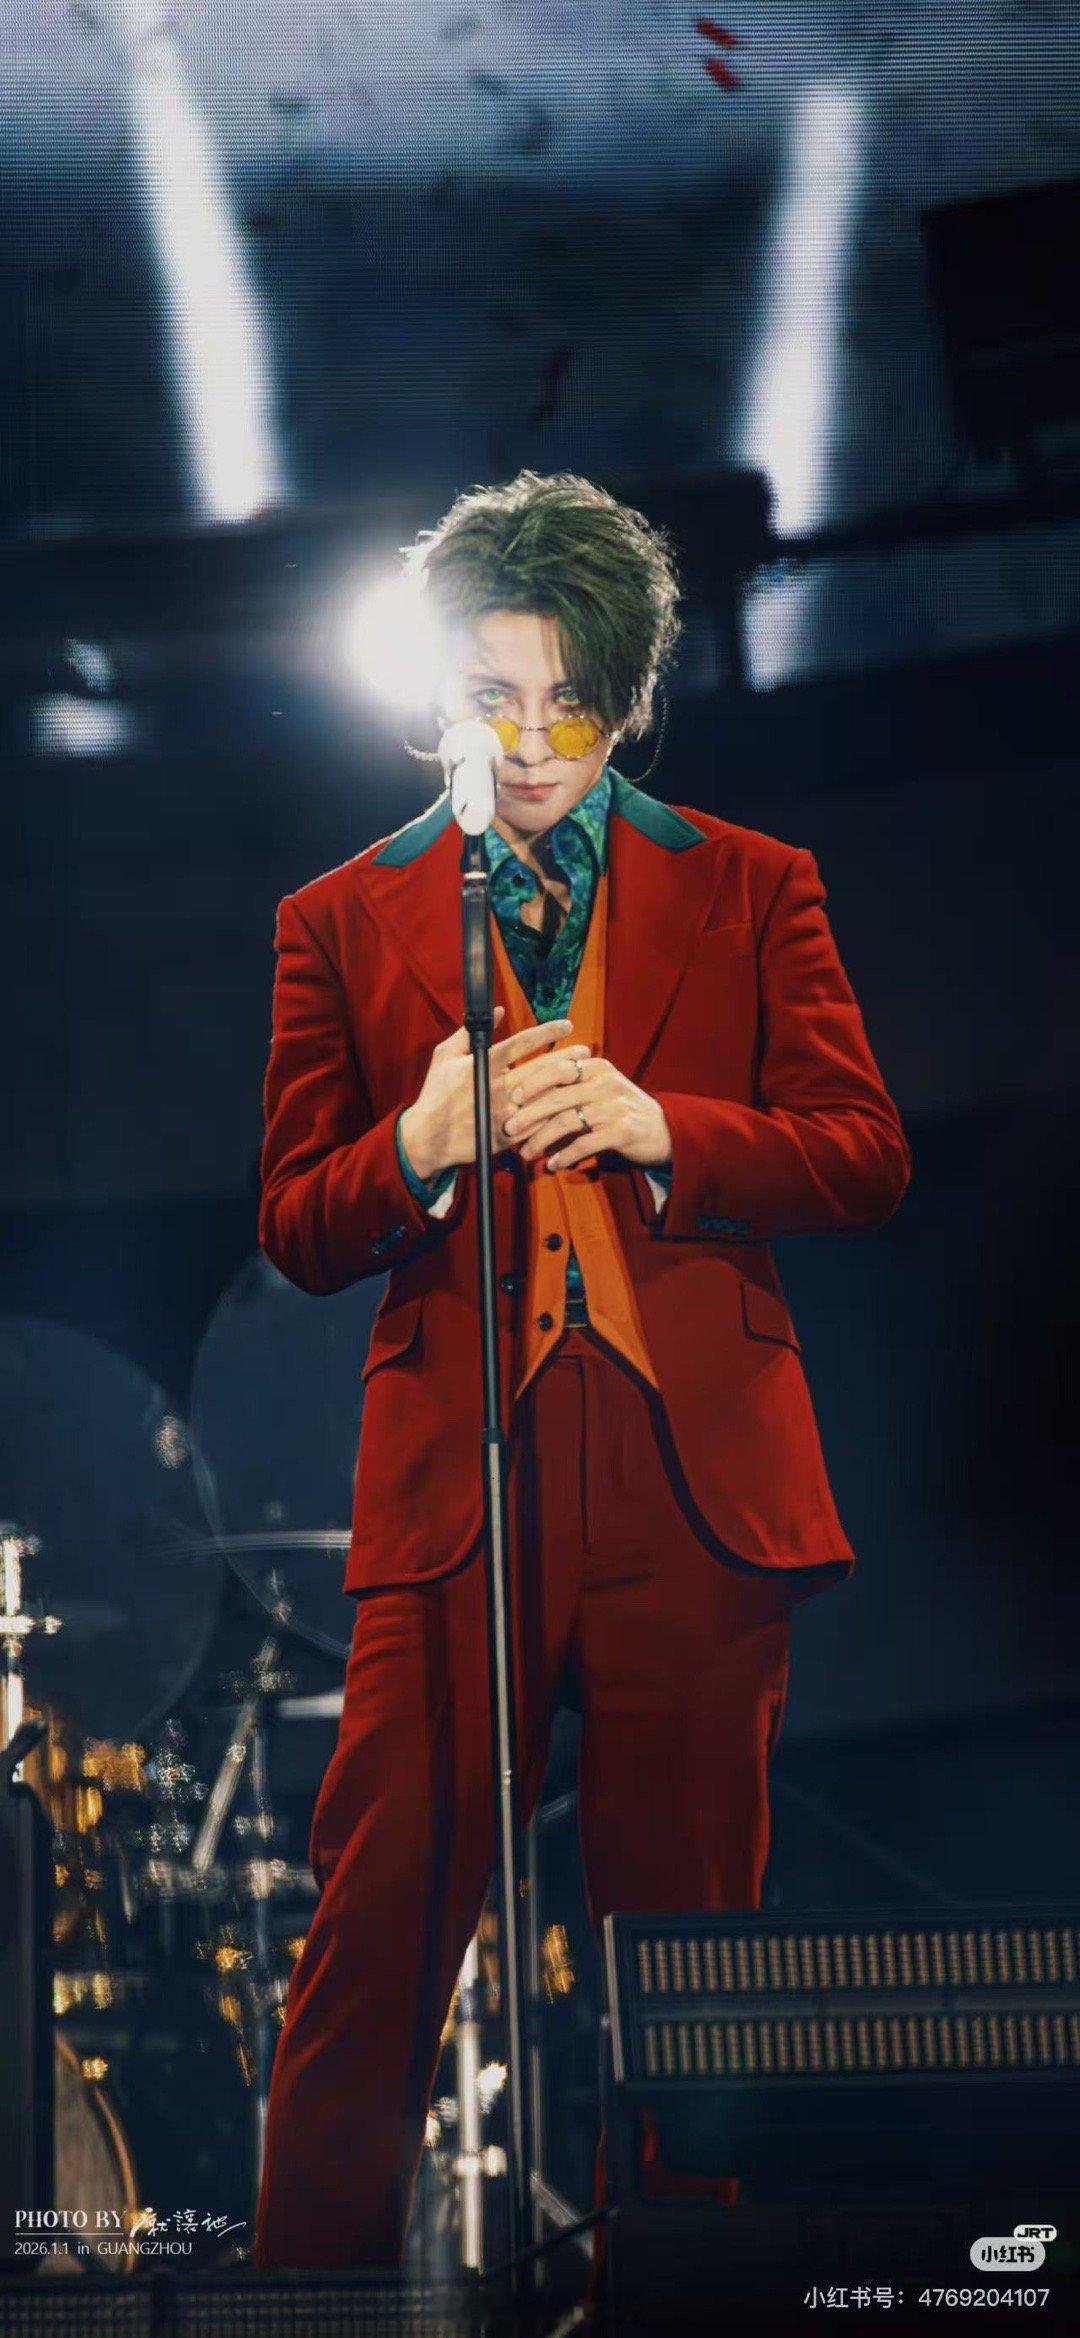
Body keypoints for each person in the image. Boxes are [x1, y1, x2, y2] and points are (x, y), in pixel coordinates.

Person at [252, 469, 911, 2271]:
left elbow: (863, 1151)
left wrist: (663, 1123)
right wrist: (418, 1144)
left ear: (625, 699)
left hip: (692, 1474)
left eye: (572, 701)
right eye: (494, 696)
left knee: (685, 1955)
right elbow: (297, 1218)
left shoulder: (753, 884)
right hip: (458, 1482)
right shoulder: (340, 916)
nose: (535, 740)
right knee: (376, 1924)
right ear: (436, 692)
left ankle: (678, 2288)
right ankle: (299, 2301)